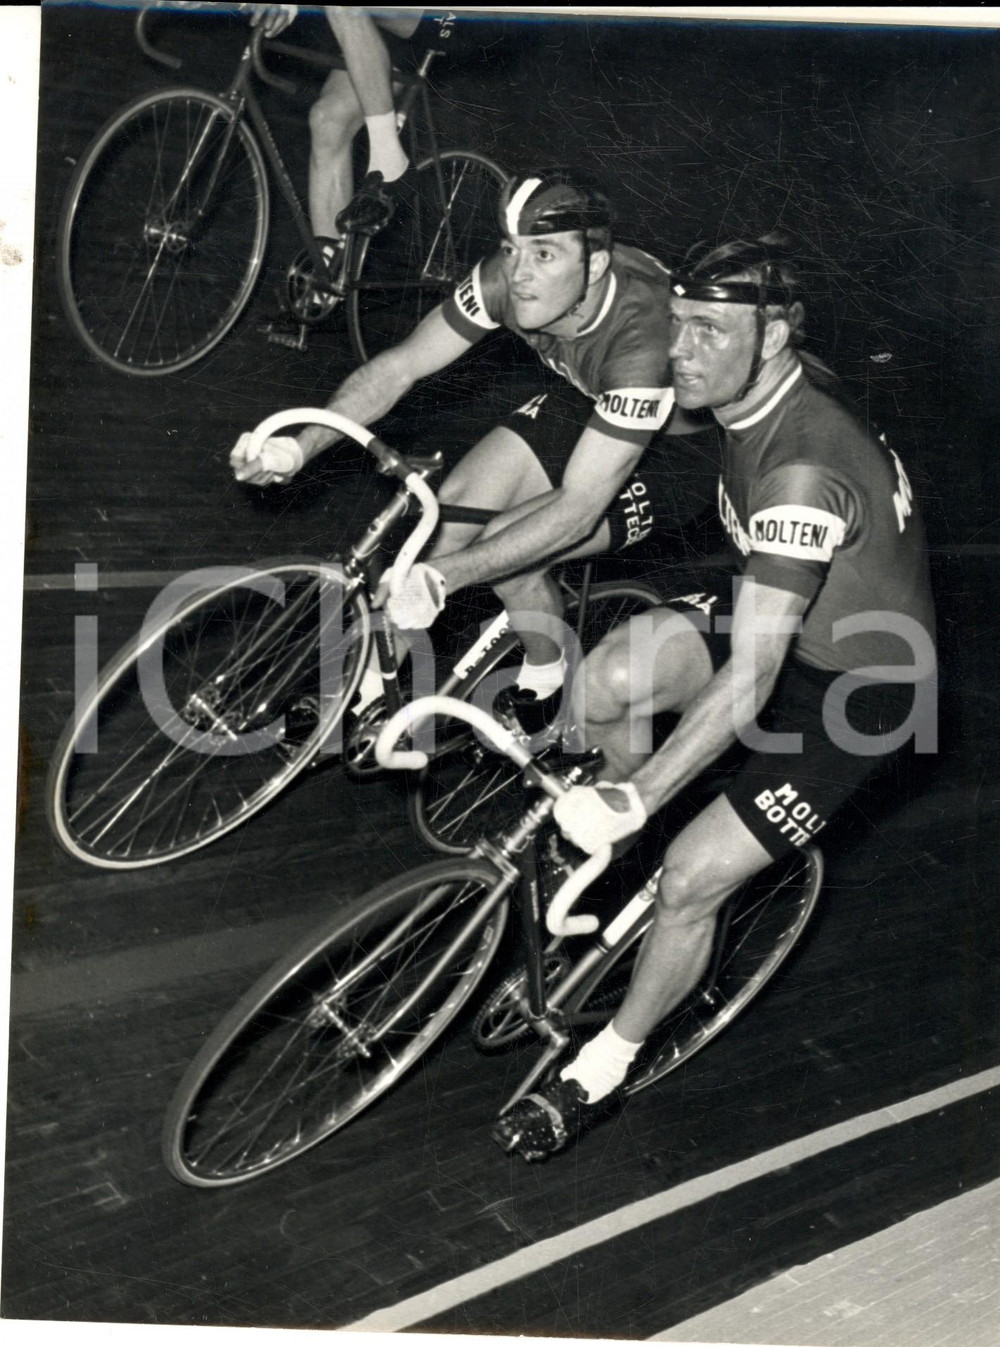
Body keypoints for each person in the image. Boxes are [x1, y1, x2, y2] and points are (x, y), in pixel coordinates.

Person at [493, 234, 938, 1161]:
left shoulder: (803, 469)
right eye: (678, 323)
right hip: (791, 606)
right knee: (606, 682)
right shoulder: (761, 387)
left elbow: (757, 673)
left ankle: (603, 1064)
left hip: (863, 688)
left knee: (694, 878)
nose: (679, 348)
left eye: (708, 330)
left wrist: (643, 793)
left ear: (773, 338)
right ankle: (625, 865)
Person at [231, 169, 718, 736]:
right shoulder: (504, 281)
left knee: (507, 547)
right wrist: (299, 446)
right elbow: (401, 366)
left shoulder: (644, 339)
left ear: (597, 264)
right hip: (591, 397)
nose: (520, 274)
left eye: (545, 255)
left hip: (685, 452)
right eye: (512, 250)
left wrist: (443, 581)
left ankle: (548, 674)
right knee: (442, 517)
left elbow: (579, 508)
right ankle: (360, 692)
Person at [250, 5, 445, 337]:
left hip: (465, 16)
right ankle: (326, 282)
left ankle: (388, 160)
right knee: (328, 121)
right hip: (396, 23)